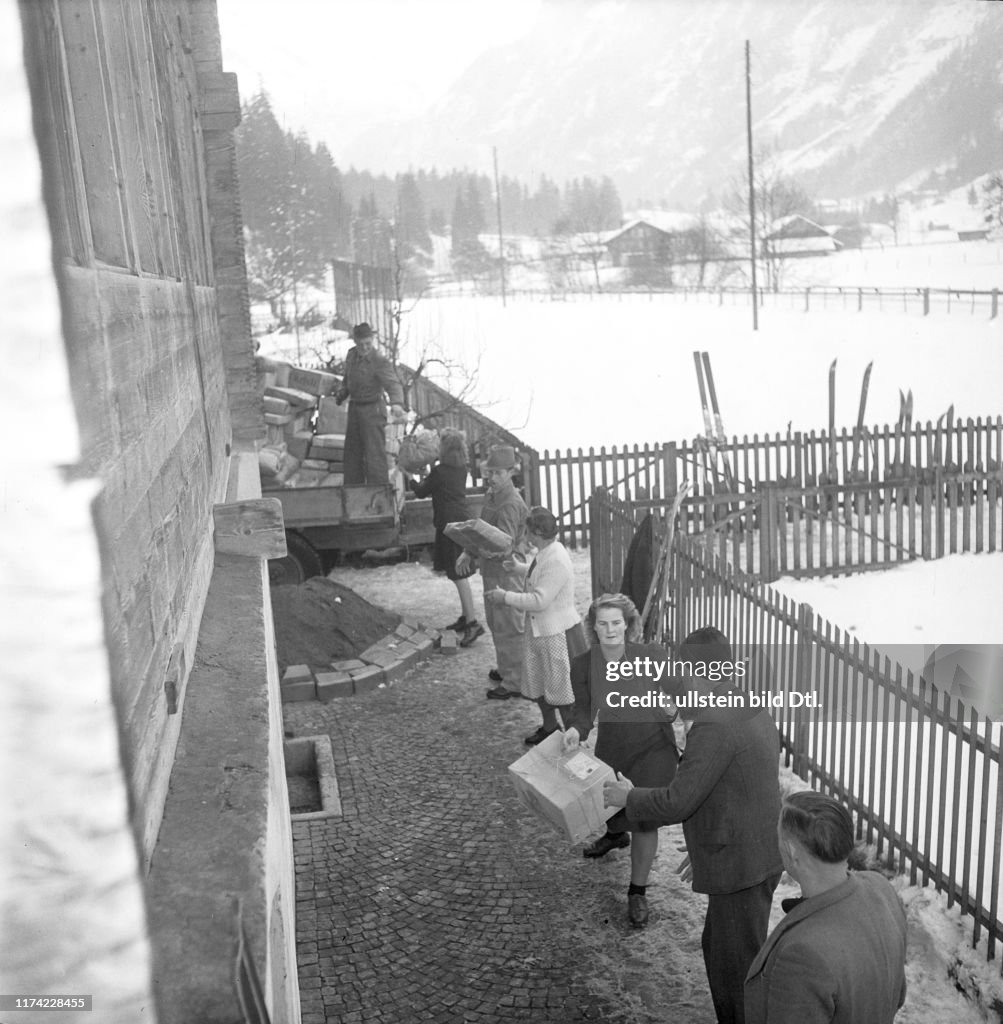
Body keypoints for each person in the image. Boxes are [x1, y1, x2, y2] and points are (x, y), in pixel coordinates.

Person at [604, 626, 783, 1024]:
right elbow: (745, 786)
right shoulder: (743, 703)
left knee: (734, 970)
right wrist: (707, 844)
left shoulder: (714, 725)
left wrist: (626, 797)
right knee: (725, 951)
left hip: (743, 866)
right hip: (752, 852)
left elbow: (679, 800)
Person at [562, 593, 679, 929]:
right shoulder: (584, 664)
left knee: (644, 817)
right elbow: (583, 710)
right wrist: (574, 729)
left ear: (628, 626)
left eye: (617, 622)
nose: (610, 629)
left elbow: (678, 691)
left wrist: (672, 706)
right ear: (593, 627)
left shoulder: (652, 655)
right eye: (603, 623)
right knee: (611, 803)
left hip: (654, 748)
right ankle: (615, 835)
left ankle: (637, 890)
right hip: (614, 746)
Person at [745, 791, 907, 1024]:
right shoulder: (881, 888)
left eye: (778, 836)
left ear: (791, 852)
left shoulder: (801, 954)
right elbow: (897, 994)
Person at [485, 507, 584, 745]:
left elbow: (540, 600)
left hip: (556, 634)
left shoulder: (557, 559)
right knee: (541, 685)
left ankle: (574, 738)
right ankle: (550, 728)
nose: (526, 537)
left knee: (562, 692)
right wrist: (518, 568)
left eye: (528, 532)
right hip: (541, 632)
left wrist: (505, 597)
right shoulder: (547, 551)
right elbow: (538, 572)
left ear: (538, 532)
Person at [456, 445, 528, 690]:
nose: (492, 477)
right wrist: (468, 551)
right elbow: (483, 528)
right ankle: (507, 668)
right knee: (497, 622)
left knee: (510, 625)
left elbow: (505, 543)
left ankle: (514, 681)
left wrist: (484, 553)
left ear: (511, 473)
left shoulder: (509, 502)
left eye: (498, 473)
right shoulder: (492, 495)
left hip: (507, 572)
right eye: (490, 472)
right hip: (492, 570)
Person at [406, 429, 480, 640]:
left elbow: (421, 491)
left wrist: (410, 476)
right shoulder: (461, 469)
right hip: (460, 522)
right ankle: (466, 617)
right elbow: (436, 483)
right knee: (459, 572)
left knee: (458, 575)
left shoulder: (440, 471)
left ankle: (472, 623)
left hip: (449, 526)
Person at [334, 322, 406, 485]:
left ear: (372, 340)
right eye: (361, 344)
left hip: (373, 411)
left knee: (375, 456)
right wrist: (341, 393)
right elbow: (348, 379)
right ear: (355, 342)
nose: (365, 348)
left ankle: (379, 496)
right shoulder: (351, 355)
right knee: (352, 455)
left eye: (368, 343)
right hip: (355, 410)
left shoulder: (379, 360)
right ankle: (354, 494)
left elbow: (393, 384)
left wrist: (397, 404)